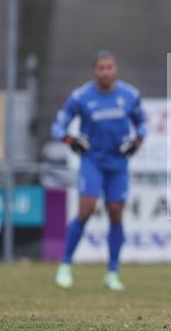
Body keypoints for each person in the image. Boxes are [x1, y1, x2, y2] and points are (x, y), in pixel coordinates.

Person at [51, 51, 146, 291]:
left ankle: (112, 273)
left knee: (116, 212)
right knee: (86, 209)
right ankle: (65, 265)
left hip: (117, 163)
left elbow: (142, 124)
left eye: (110, 67)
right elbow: (57, 126)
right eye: (101, 68)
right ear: (94, 71)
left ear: (116, 69)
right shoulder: (81, 96)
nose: (106, 72)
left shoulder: (129, 95)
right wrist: (69, 140)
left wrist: (136, 143)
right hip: (92, 160)